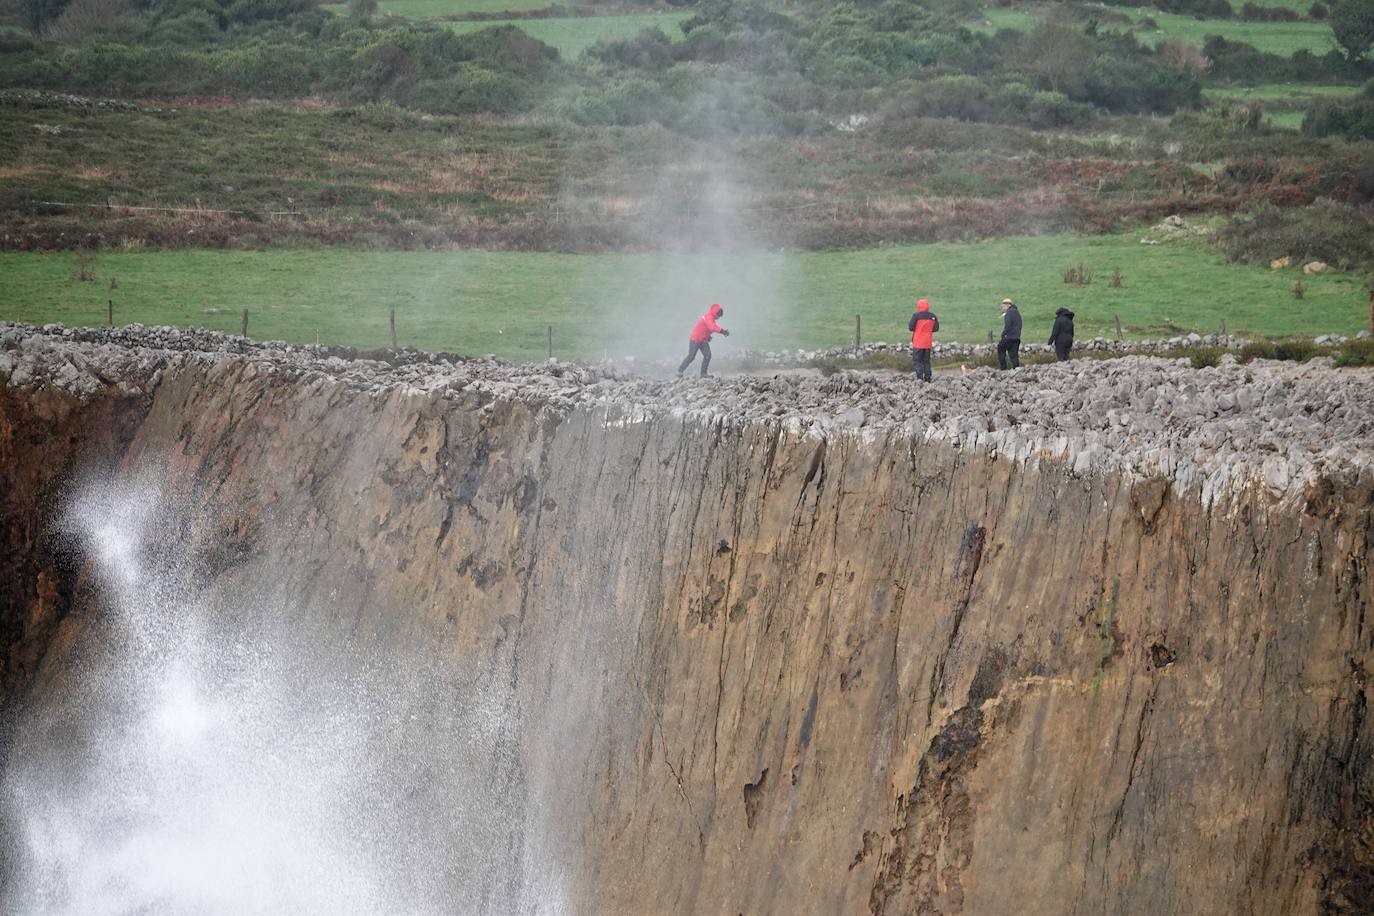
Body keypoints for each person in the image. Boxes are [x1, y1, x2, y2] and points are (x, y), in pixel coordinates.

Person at [678, 303, 729, 377]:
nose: (719, 318)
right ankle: (680, 371)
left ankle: (703, 373)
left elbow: (706, 329)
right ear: (716, 314)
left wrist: (708, 337)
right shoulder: (708, 317)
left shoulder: (711, 317)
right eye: (719, 316)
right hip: (695, 339)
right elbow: (712, 327)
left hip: (702, 340)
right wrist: (723, 331)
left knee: (708, 355)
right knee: (691, 356)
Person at [907, 298, 938, 382]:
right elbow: (936, 328)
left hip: (918, 342)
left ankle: (920, 378)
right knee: (926, 361)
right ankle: (928, 378)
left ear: (918, 306)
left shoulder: (916, 316)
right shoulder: (933, 316)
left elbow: (911, 327)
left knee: (917, 361)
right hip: (927, 343)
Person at [997, 297, 1021, 370]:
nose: (1003, 307)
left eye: (1003, 306)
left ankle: (1003, 368)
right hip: (1016, 338)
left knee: (1000, 348)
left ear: (1008, 305)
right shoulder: (1017, 313)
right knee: (1014, 355)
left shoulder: (1009, 313)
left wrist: (1003, 334)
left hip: (1009, 337)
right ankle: (1016, 369)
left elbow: (1008, 325)